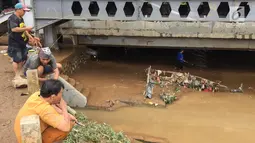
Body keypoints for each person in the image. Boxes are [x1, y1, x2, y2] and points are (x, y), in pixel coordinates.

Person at [7, 2, 36, 80]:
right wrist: (27, 29)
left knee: (23, 58)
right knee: (16, 59)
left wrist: (29, 36)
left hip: (22, 41)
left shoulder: (21, 18)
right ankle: (16, 76)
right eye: (24, 11)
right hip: (14, 42)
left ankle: (20, 73)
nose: (25, 12)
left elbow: (23, 28)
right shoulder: (12, 18)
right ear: (18, 10)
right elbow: (14, 29)